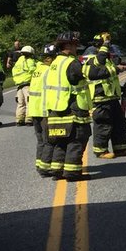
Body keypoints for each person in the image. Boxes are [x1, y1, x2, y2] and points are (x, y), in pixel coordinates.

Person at [43, 32, 91, 180]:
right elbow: (84, 75)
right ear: (68, 45)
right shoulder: (72, 63)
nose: (77, 48)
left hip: (56, 109)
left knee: (61, 141)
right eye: (76, 45)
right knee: (77, 140)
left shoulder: (55, 63)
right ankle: (72, 172)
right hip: (73, 107)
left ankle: (57, 171)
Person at [82, 33, 126, 158]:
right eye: (107, 45)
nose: (109, 47)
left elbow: (108, 79)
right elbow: (99, 72)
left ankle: (120, 149)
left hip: (111, 97)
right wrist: (116, 69)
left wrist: (120, 89)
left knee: (120, 124)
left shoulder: (106, 59)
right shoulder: (93, 58)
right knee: (103, 125)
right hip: (100, 98)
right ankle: (101, 151)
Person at [28, 44, 56, 176]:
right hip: (44, 110)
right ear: (50, 58)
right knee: (48, 141)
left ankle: (40, 164)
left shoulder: (37, 69)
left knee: (40, 141)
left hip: (34, 110)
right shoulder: (49, 71)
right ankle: (45, 167)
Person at [11, 44, 37, 125]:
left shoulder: (19, 61)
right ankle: (29, 120)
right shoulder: (29, 60)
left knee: (20, 103)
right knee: (29, 102)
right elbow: (33, 70)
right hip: (27, 84)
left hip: (19, 85)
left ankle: (19, 120)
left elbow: (14, 71)